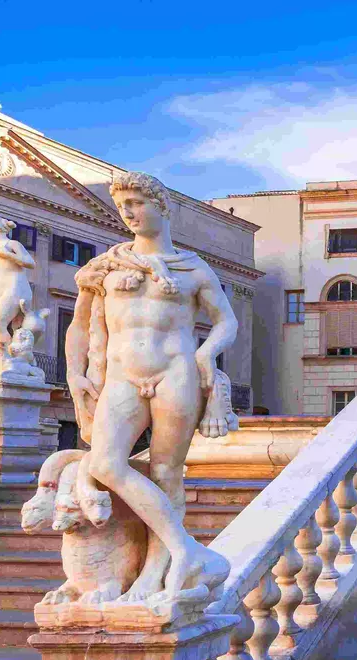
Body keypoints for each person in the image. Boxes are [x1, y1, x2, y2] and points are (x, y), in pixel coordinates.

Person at [65, 172, 238, 602]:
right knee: (104, 463)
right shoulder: (105, 267)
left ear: (163, 207)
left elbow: (226, 322)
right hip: (122, 374)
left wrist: (205, 356)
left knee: (166, 473)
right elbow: (80, 326)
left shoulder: (193, 268)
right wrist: (74, 372)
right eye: (123, 205)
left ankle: (153, 574)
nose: (128, 212)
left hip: (175, 371)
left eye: (137, 202)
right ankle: (184, 549)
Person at [0, 215, 37, 375]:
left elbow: (30, 263)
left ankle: (7, 359)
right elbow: (0, 270)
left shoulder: (12, 244)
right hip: (0, 286)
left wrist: (8, 254)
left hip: (16, 285)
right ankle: (1, 360)